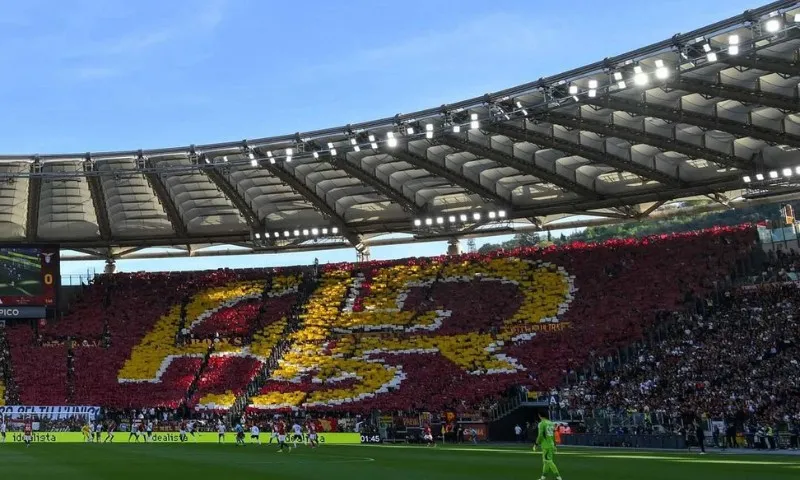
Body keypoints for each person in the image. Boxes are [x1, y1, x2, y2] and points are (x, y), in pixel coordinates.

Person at [533, 412, 562, 480]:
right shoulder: (551, 423)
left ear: (540, 415)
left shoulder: (541, 424)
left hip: (546, 445)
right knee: (545, 461)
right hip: (551, 444)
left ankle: (559, 477)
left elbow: (540, 435)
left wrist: (536, 444)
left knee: (549, 461)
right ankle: (543, 477)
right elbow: (553, 435)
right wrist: (554, 445)